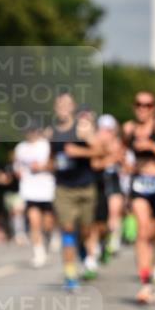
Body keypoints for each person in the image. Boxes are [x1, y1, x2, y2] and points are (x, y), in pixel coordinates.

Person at [122, 91, 155, 305]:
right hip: (139, 184)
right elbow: (121, 150)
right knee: (143, 231)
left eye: (148, 105)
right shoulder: (128, 128)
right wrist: (124, 163)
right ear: (134, 106)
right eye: (139, 104)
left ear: (154, 108)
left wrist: (154, 148)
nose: (143, 108)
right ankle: (145, 282)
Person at [50, 93, 102, 289]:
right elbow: (51, 158)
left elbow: (99, 150)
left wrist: (80, 151)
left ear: (73, 107)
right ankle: (70, 274)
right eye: (59, 104)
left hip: (85, 186)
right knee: (67, 228)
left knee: (86, 229)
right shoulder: (52, 132)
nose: (63, 107)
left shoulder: (82, 128)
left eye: (67, 104)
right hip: (63, 188)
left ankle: (84, 250)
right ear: (55, 107)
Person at [13, 125, 55, 267]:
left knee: (48, 223)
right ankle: (38, 252)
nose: (31, 134)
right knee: (34, 222)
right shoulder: (20, 148)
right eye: (28, 131)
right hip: (29, 190)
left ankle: (47, 241)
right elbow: (17, 166)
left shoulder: (46, 146)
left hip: (47, 190)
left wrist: (42, 167)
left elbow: (54, 164)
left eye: (33, 131)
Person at [91, 114, 125, 263]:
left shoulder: (119, 144)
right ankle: (102, 241)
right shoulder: (96, 144)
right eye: (104, 130)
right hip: (100, 182)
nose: (107, 133)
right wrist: (110, 157)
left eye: (109, 130)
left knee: (114, 211)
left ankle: (114, 241)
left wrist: (120, 159)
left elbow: (126, 164)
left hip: (114, 181)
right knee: (100, 221)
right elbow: (96, 164)